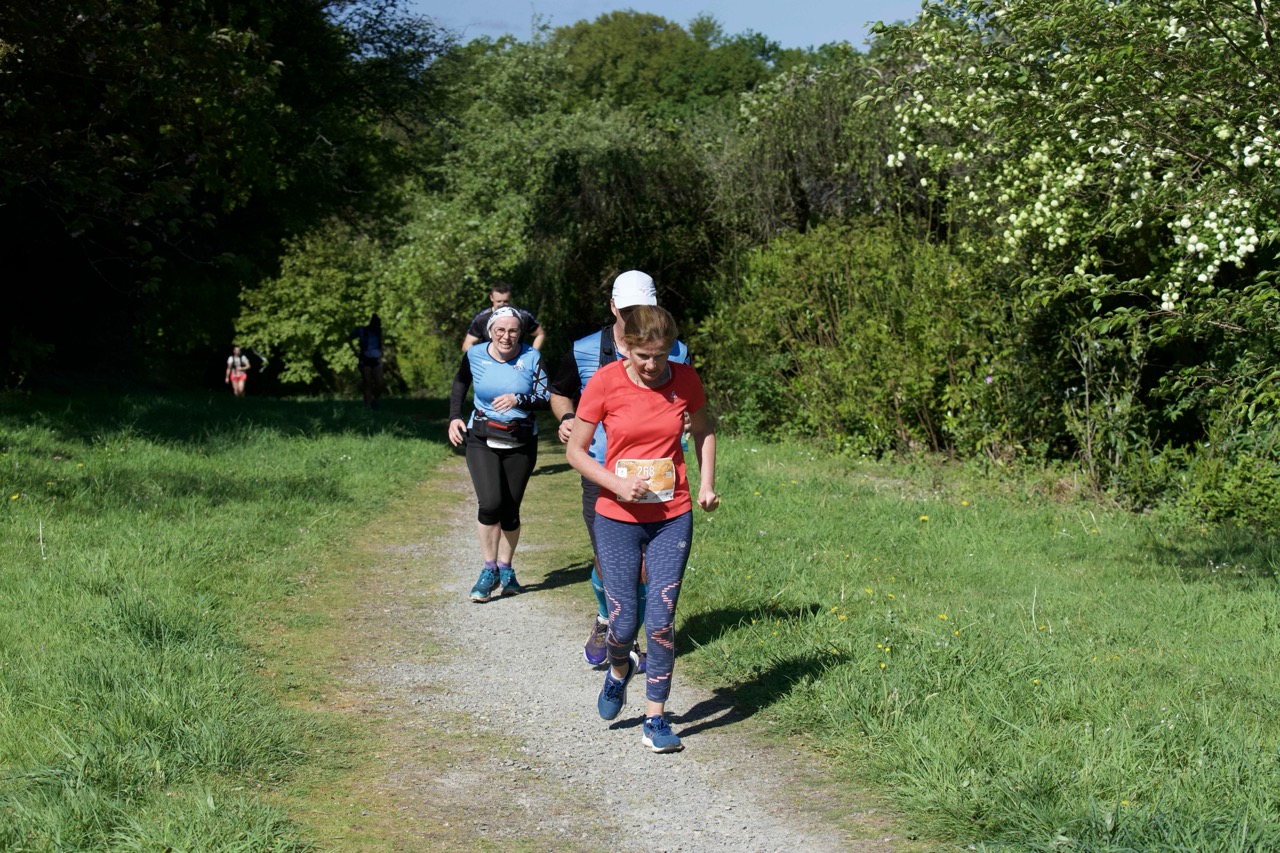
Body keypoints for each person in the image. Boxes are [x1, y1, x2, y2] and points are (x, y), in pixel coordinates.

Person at [566, 304, 717, 753]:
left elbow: (705, 430)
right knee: (623, 622)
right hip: (617, 518)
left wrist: (706, 484)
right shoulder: (605, 382)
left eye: (661, 355)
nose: (653, 365)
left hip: (672, 515)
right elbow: (576, 451)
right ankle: (619, 671)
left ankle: (655, 718)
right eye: (643, 356)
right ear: (626, 348)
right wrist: (616, 484)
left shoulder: (685, 379)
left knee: (661, 621)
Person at [549, 270, 690, 671]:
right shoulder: (584, 349)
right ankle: (606, 619)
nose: (634, 317)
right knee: (606, 559)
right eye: (627, 310)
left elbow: (687, 403)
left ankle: (631, 637)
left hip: (659, 476)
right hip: (601, 470)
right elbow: (559, 391)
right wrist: (568, 418)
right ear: (613, 307)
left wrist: (684, 423)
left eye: (642, 308)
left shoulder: (675, 350)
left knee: (645, 569)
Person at [448, 306, 551, 602]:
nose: (506, 336)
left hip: (521, 440)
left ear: (521, 332)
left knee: (510, 510)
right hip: (482, 436)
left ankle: (506, 569)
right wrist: (454, 417)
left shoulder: (532, 357)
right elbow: (460, 383)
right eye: (500, 330)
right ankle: (488, 569)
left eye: (513, 330)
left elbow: (547, 397)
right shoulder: (475, 354)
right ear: (491, 331)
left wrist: (519, 399)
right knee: (490, 503)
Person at [462, 281, 546, 352]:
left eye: (505, 301)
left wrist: (532, 355)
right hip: (490, 361)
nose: (502, 305)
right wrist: (480, 360)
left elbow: (540, 334)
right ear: (491, 298)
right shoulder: (482, 319)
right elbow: (467, 344)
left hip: (517, 361)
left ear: (510, 298)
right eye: (498, 301)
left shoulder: (522, 316)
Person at [350, 313, 385, 409]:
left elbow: (380, 343)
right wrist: (355, 352)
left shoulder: (379, 332)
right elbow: (349, 338)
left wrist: (381, 352)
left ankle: (373, 399)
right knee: (367, 382)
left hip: (376, 359)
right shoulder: (362, 330)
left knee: (379, 383)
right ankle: (368, 405)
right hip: (365, 359)